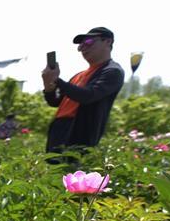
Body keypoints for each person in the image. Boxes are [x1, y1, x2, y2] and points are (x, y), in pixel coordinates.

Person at [42, 26, 124, 158]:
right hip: (59, 132)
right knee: (52, 173)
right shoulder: (79, 75)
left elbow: (88, 96)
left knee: (73, 173)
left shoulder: (112, 71)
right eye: (80, 46)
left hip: (79, 134)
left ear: (107, 42)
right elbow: (55, 102)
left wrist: (57, 80)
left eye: (88, 43)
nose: (83, 48)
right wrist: (48, 85)